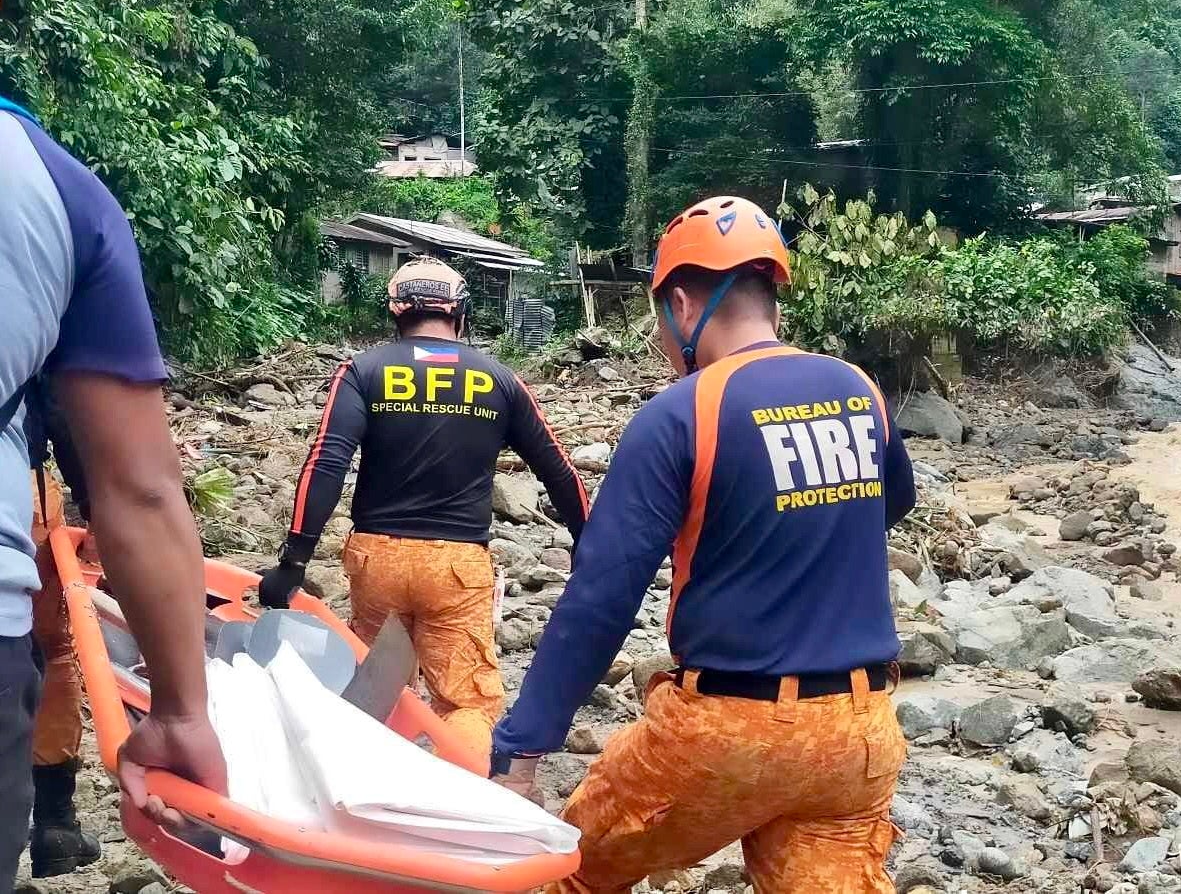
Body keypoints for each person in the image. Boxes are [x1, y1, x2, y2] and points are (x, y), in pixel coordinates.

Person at [490, 196, 918, 893]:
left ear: (682, 306)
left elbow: (602, 596)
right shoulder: (855, 388)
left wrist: (521, 749)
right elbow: (888, 502)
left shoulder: (680, 413)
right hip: (857, 737)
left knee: (570, 866)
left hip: (726, 735)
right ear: (770, 295)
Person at [0, 94, 226, 889]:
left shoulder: (363, 379)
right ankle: (54, 817)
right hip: (21, 526)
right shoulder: (52, 186)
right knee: (53, 650)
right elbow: (139, 483)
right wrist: (179, 711)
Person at [258, 258, 589, 760]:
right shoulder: (498, 379)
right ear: (460, 313)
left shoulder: (362, 371)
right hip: (457, 567)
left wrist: (294, 562)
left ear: (396, 312)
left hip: (378, 561)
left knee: (378, 689)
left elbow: (325, 463)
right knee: (468, 703)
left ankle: (366, 804)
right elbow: (560, 470)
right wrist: (590, 548)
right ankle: (461, 810)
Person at [25, 379, 100, 877]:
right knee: (51, 650)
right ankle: (54, 823)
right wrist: (96, 509)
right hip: (18, 493)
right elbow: (59, 411)